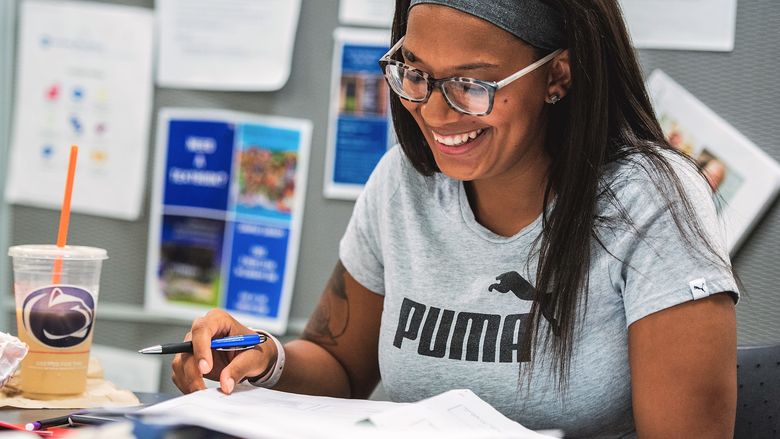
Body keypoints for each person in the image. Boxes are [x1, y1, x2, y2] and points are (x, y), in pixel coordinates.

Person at [171, 0, 739, 437]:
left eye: (472, 84)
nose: (435, 112)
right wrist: (263, 358)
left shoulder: (651, 200)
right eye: (415, 73)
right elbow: (342, 365)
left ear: (558, 76)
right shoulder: (404, 182)